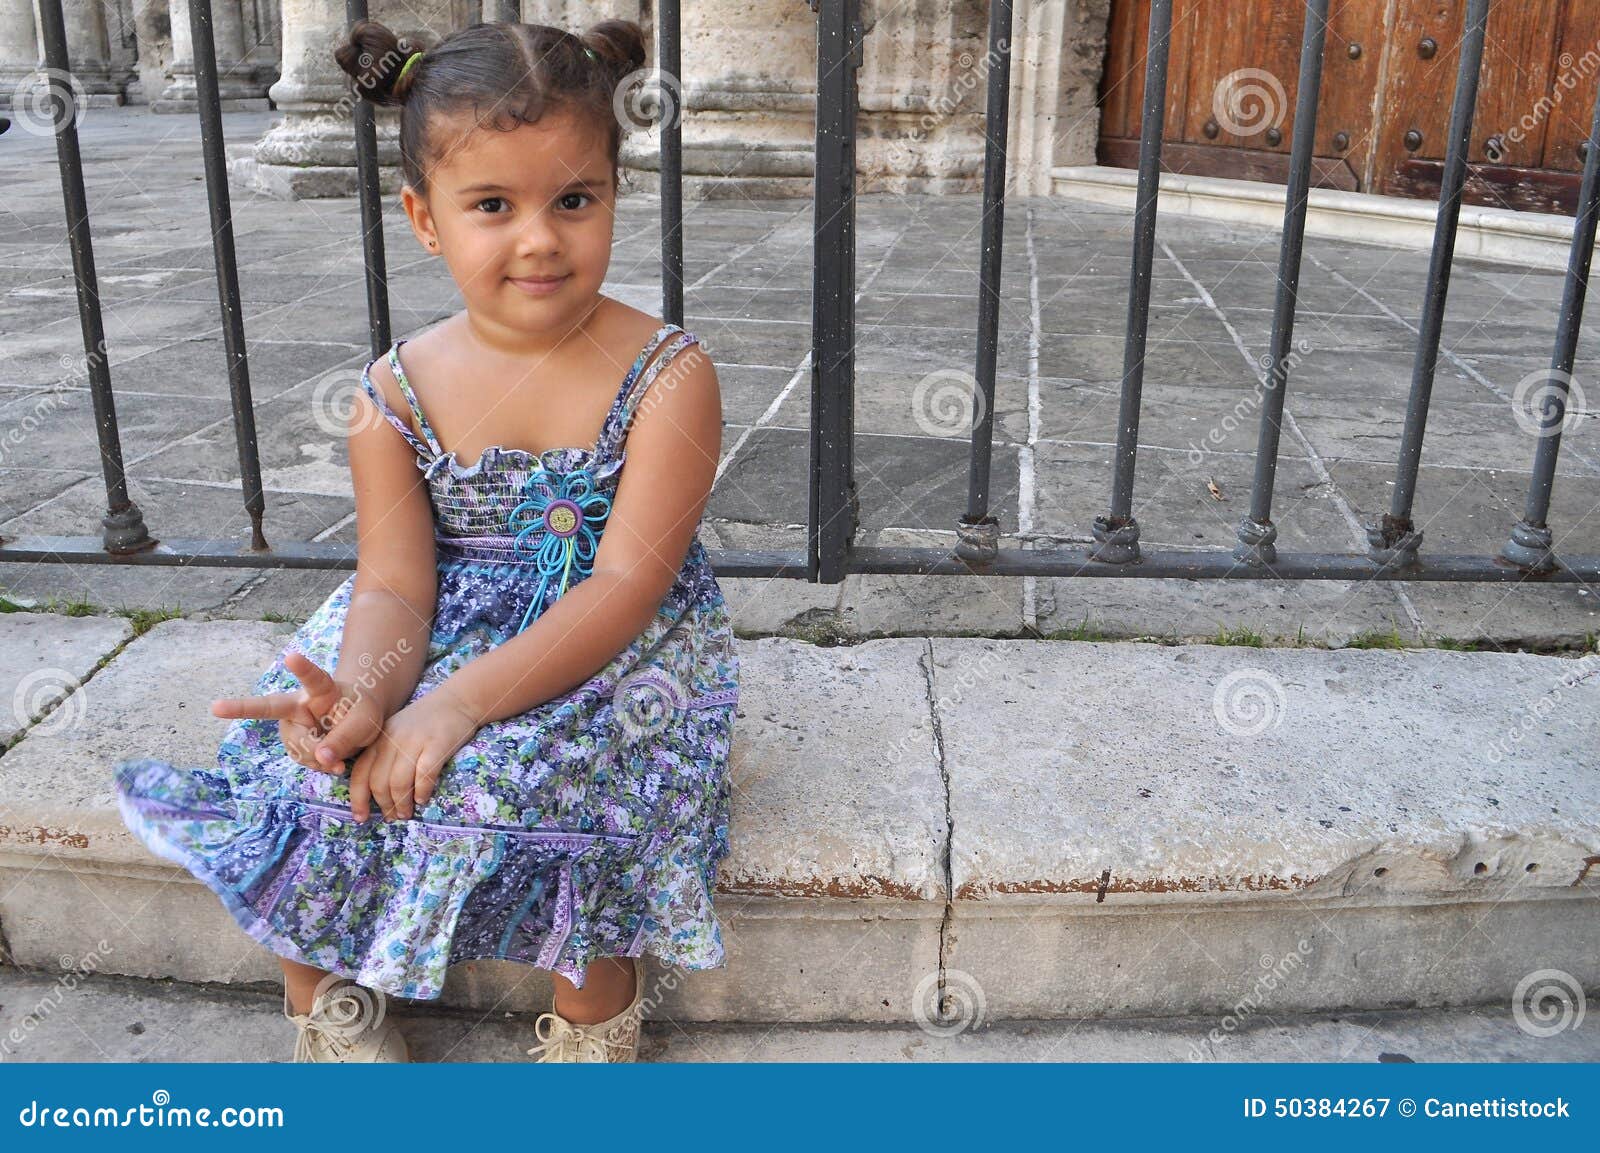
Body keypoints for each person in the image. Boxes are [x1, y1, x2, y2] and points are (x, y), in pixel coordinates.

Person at [110, 15, 738, 1064]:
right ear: (425, 218)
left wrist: (453, 706)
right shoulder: (391, 393)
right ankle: (332, 1017)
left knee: (526, 774)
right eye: (493, 205)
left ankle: (592, 1025)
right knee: (318, 768)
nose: (539, 237)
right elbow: (396, 583)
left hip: (610, 645)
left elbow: (627, 581)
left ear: (614, 200)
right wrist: (367, 691)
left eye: (573, 200)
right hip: (434, 621)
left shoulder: (669, 375)